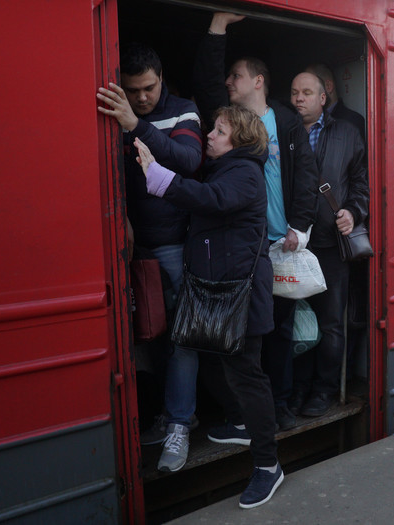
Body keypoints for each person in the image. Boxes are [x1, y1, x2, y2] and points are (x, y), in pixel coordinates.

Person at [135, 105, 283, 509]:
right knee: (225, 363)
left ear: (241, 140)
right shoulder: (226, 169)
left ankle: (268, 467)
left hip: (241, 297)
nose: (211, 136)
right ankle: (239, 422)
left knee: (248, 376)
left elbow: (212, 200)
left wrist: (161, 178)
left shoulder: (244, 174)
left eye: (219, 131)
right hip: (220, 294)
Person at [192, 12, 320, 432]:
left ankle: (279, 407)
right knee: (243, 338)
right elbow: (209, 85)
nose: (230, 82)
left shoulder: (284, 121)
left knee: (279, 335)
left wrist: (300, 228)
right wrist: (217, 29)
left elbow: (307, 178)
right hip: (241, 249)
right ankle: (245, 415)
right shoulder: (228, 119)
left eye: (237, 75)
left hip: (279, 245)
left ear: (258, 81)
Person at [97, 42, 203, 442]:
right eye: (133, 90)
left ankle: (180, 423)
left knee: (181, 339)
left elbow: (187, 161)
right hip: (128, 249)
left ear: (162, 80)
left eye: (149, 88)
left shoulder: (182, 111)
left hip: (174, 247)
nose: (141, 98)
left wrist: (134, 125)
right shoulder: (118, 111)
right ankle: (170, 415)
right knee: (149, 336)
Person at [288, 72, 369, 417]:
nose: (299, 99)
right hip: (291, 245)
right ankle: (297, 389)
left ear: (323, 98)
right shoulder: (281, 133)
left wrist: (353, 211)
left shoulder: (348, 133)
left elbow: (362, 185)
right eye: (294, 93)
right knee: (295, 321)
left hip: (330, 244)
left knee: (331, 323)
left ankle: (323, 391)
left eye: (307, 92)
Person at [304, 63, 366, 142]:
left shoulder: (351, 122)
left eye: (307, 90)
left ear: (328, 86)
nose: (301, 97)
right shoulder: (303, 122)